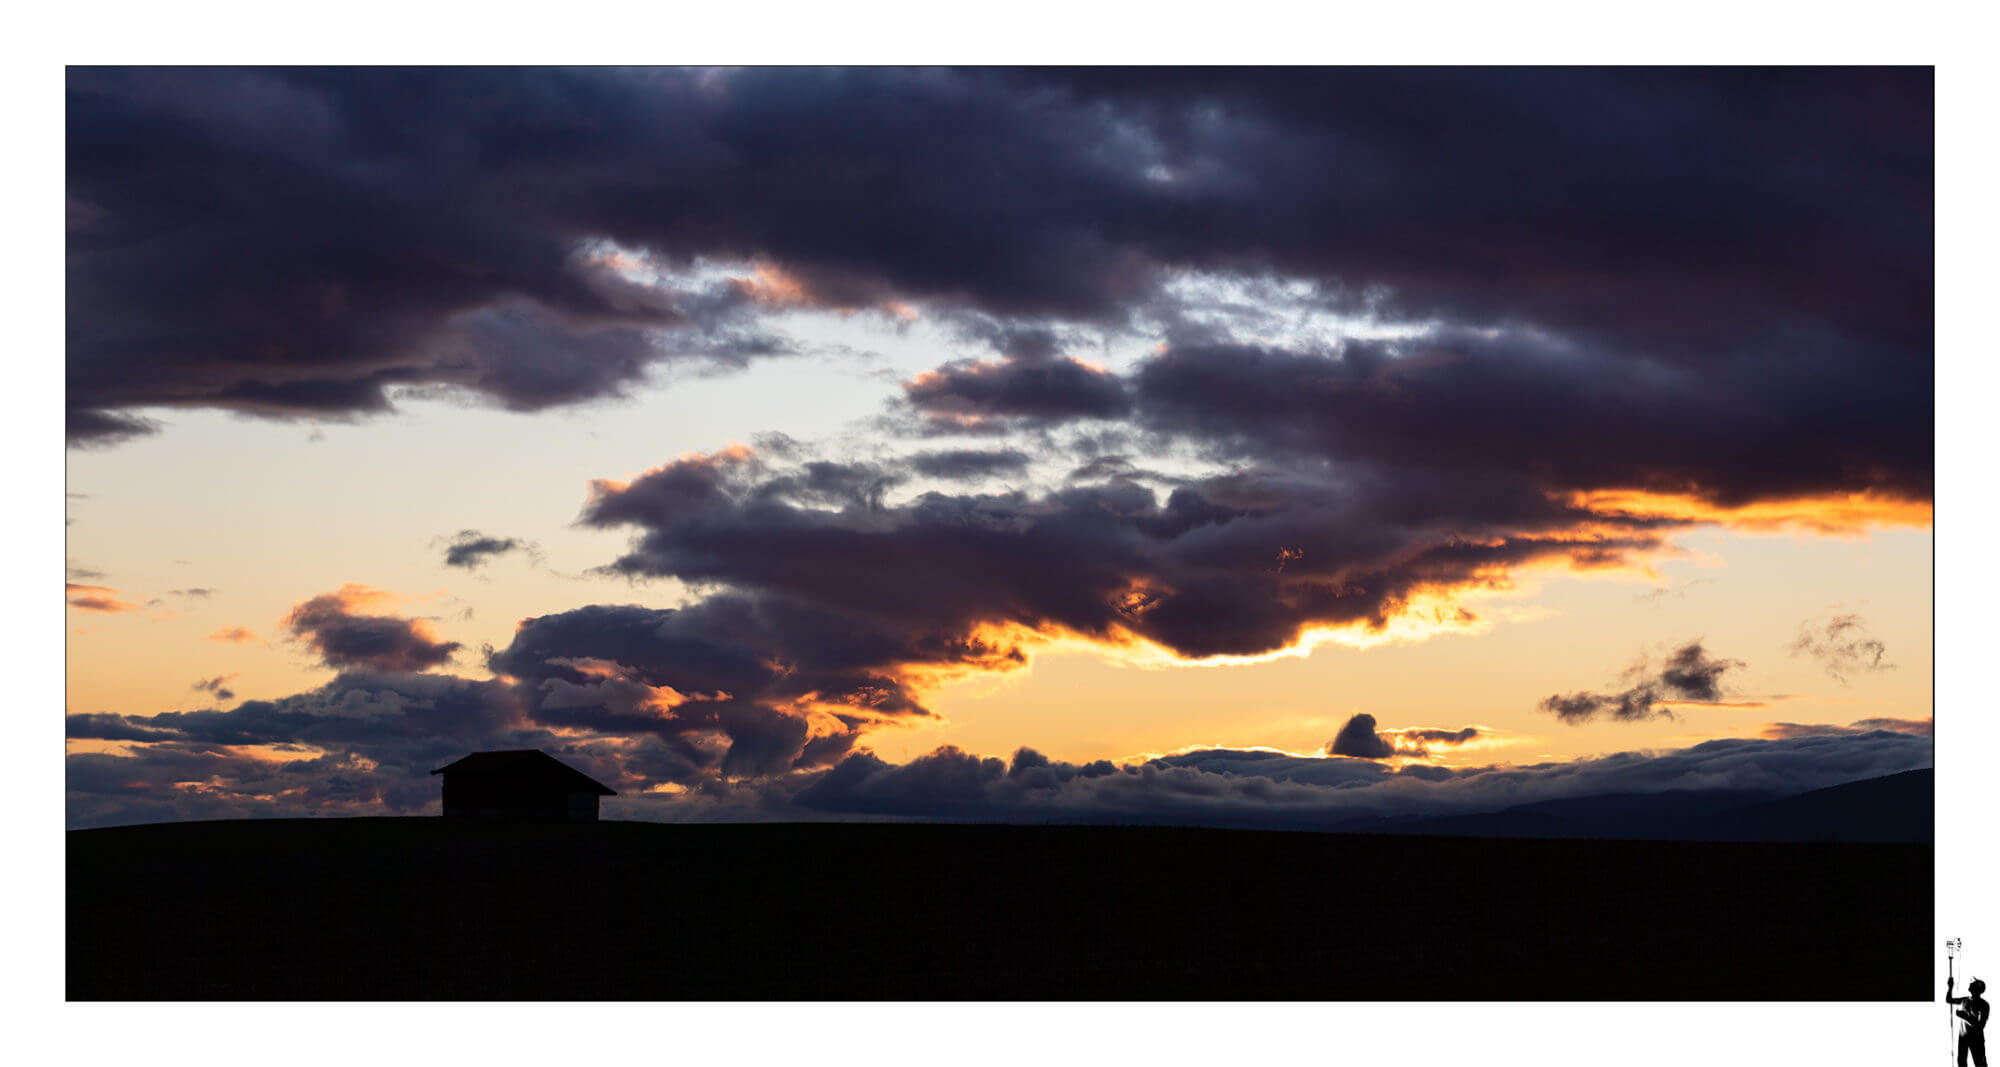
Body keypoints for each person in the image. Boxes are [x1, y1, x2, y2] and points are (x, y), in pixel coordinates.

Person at [1950, 976, 1991, 1067]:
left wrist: (1965, 1017)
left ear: (1977, 989)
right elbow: (1949, 1000)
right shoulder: (1964, 1000)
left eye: (1973, 983)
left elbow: (1981, 1026)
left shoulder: (1984, 1005)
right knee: (1961, 1062)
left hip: (1976, 1039)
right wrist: (1950, 987)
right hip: (1963, 1037)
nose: (1970, 983)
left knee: (1980, 1063)